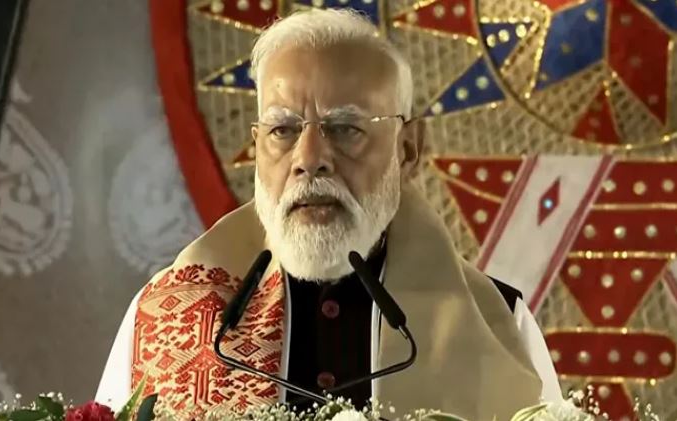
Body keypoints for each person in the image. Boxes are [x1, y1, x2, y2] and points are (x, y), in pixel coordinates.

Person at [96, 8, 561, 420]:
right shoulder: (166, 313)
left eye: (344, 128)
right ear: (256, 147)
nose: (309, 157)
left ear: (408, 150)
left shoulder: (500, 324)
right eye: (282, 129)